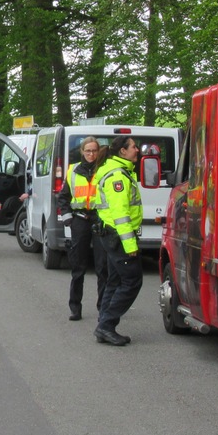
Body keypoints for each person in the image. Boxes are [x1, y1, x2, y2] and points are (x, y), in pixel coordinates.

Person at [91, 135, 143, 345]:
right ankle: (106, 326)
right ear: (122, 151)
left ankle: (104, 324)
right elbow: (120, 213)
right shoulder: (118, 177)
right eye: (133, 147)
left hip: (111, 235)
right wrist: (130, 245)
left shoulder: (119, 171)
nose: (137, 150)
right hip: (118, 237)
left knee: (115, 281)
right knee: (132, 282)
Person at [56, 137, 108, 321]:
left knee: (102, 267)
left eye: (94, 151)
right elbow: (63, 197)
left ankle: (103, 308)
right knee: (78, 267)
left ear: (99, 151)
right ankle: (75, 308)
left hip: (99, 219)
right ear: (82, 152)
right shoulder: (72, 170)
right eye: (88, 151)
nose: (91, 154)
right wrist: (67, 216)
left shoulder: (104, 169)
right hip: (79, 220)